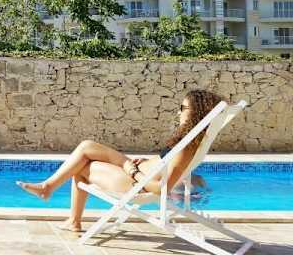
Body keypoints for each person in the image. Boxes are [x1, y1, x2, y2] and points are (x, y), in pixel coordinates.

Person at [17, 90, 223, 232]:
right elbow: (166, 162)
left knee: (81, 164)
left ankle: (56, 199)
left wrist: (134, 172)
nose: (179, 111)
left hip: (136, 183)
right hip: (138, 173)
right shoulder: (192, 141)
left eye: (183, 107)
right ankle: (58, 201)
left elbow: (162, 188)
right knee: (86, 148)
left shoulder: (187, 147)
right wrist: (146, 162)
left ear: (196, 112)